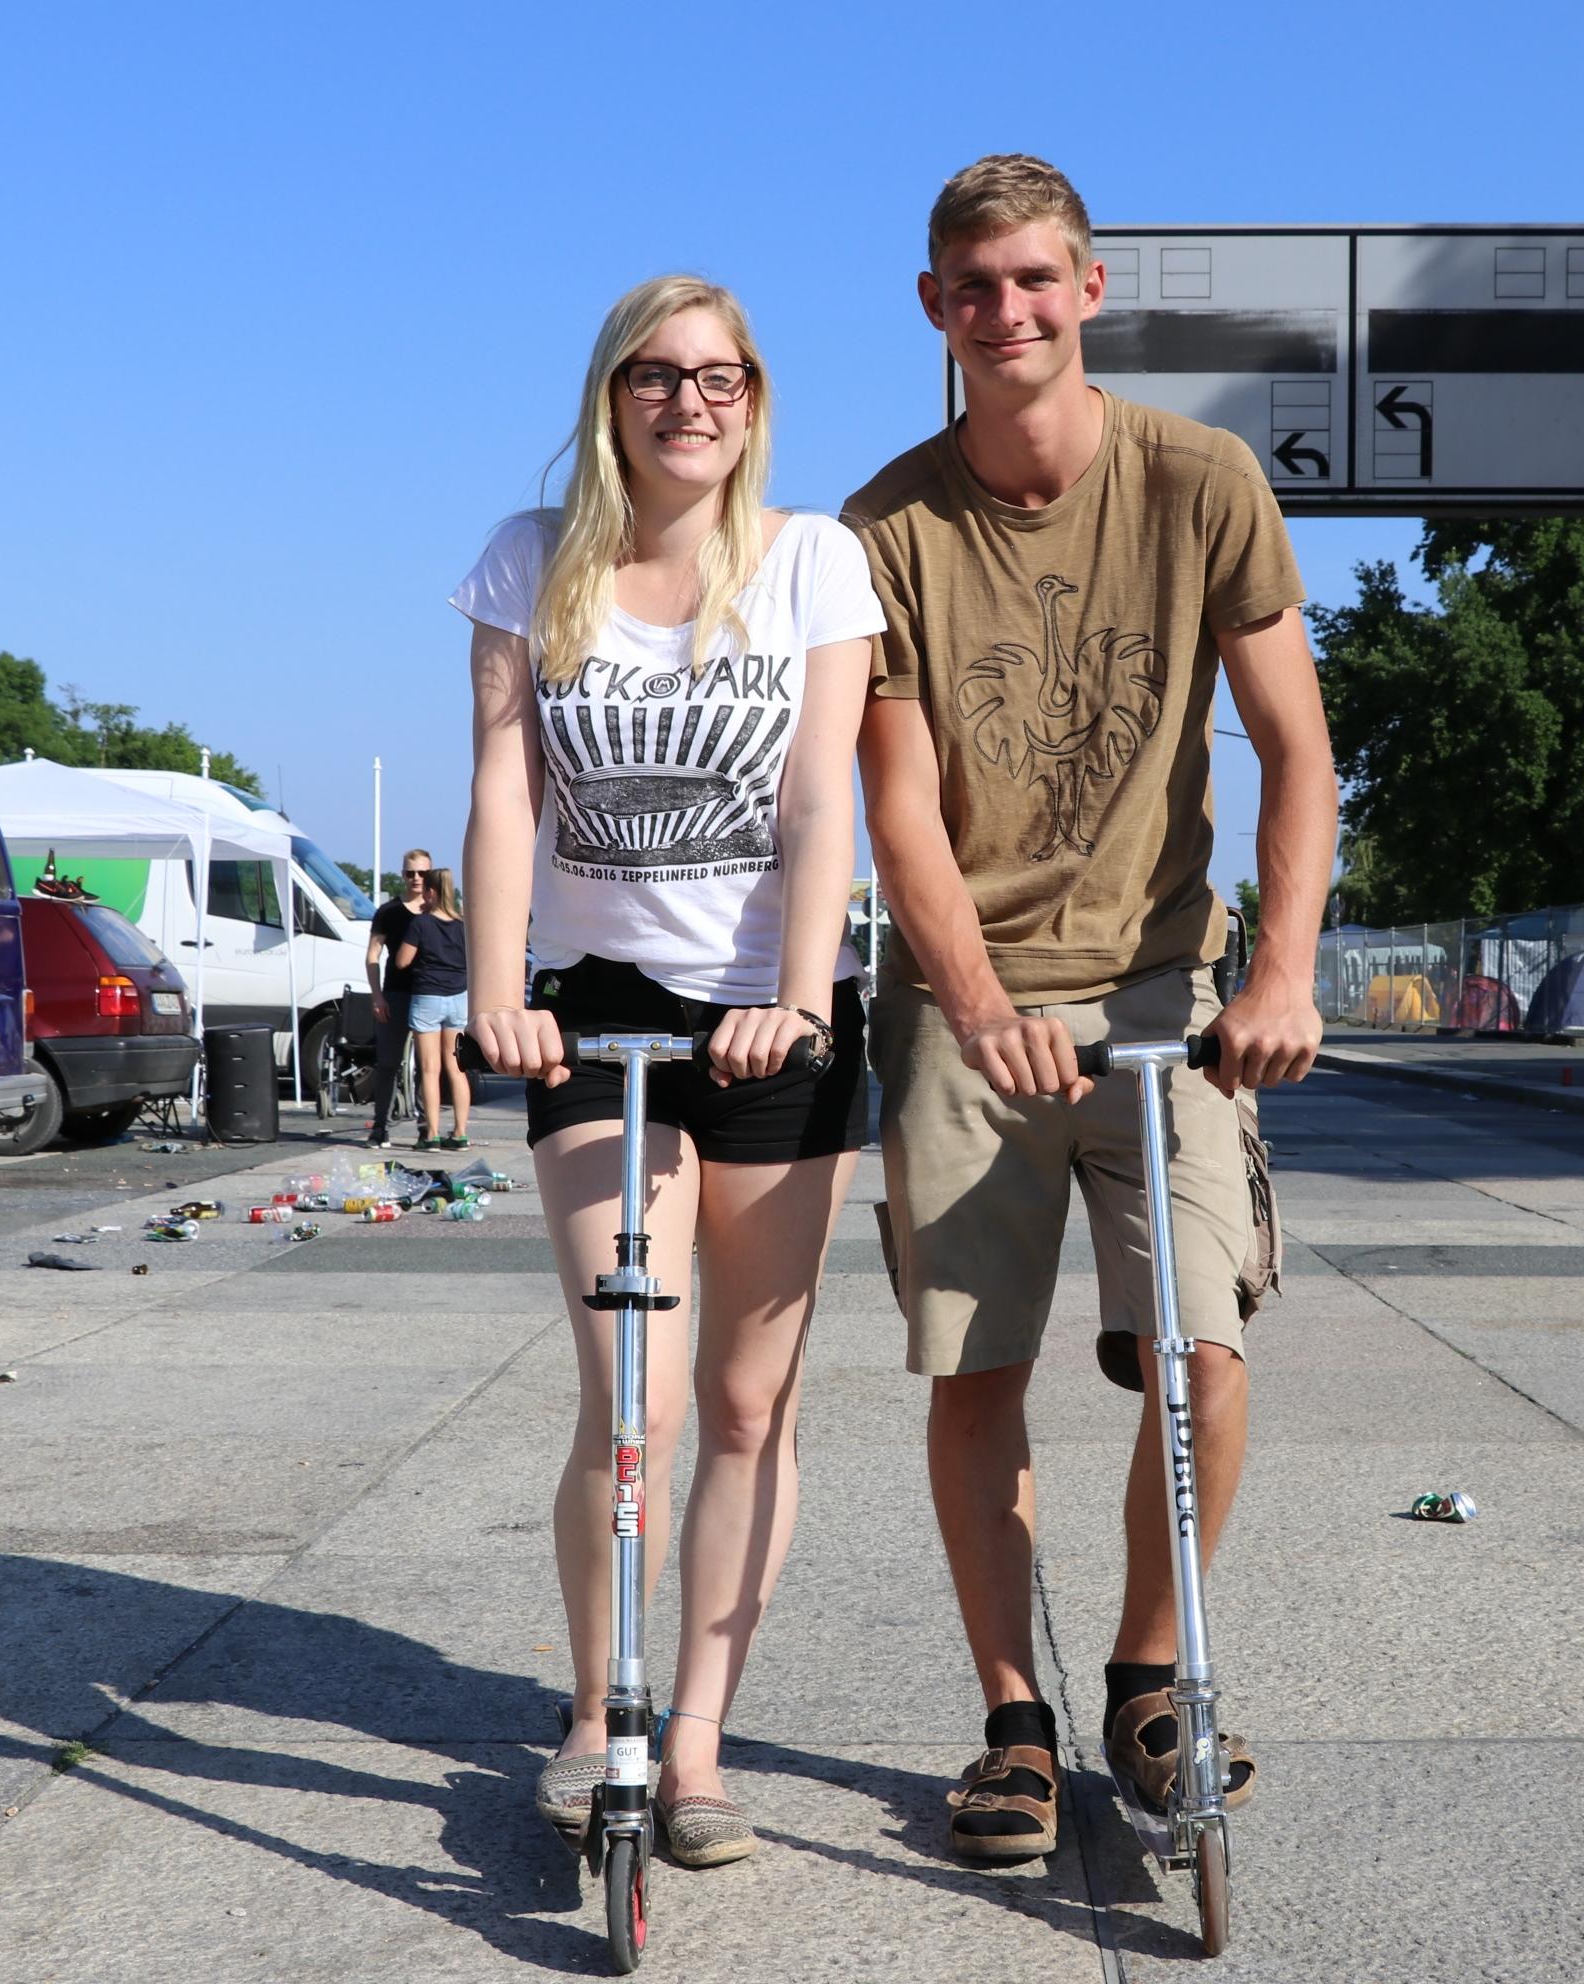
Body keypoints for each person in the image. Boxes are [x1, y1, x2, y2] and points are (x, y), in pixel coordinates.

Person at [843, 154, 1337, 1862]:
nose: (1009, 310)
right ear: (935, 307)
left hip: (1164, 992)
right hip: (966, 1006)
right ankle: (1012, 1721)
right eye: (976, 286)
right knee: (977, 1363)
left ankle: (1147, 1665)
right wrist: (972, 1001)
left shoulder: (1201, 480)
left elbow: (1296, 750)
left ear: (1091, 288)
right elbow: (895, 807)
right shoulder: (885, 526)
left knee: (1202, 1344)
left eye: (1037, 279)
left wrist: (1281, 970)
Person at [457, 274, 884, 1871]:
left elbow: (816, 802)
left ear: (755, 400)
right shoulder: (530, 558)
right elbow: (504, 785)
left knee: (746, 1400)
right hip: (596, 1008)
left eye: (721, 378)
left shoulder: (812, 562)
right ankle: (596, 1712)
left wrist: (794, 998)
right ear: (609, 395)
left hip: (771, 1016)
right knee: (623, 1382)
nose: (688, 404)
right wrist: (496, 994)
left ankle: (697, 1737)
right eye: (656, 376)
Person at [392, 866, 473, 1149]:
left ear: (432, 892)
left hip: (427, 996)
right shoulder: (465, 924)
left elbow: (402, 960)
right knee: (457, 1068)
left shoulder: (421, 924)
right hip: (459, 997)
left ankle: (432, 1134)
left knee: (429, 1069)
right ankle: (461, 1133)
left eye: (426, 890)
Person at [363, 848, 431, 1147]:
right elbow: (373, 954)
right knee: (388, 1063)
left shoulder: (439, 910)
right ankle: (380, 1127)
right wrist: (377, 995)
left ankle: (428, 1129)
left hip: (431, 994)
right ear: (402, 874)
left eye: (422, 873)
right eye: (410, 872)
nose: (416, 879)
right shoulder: (388, 911)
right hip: (396, 994)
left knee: (428, 1068)